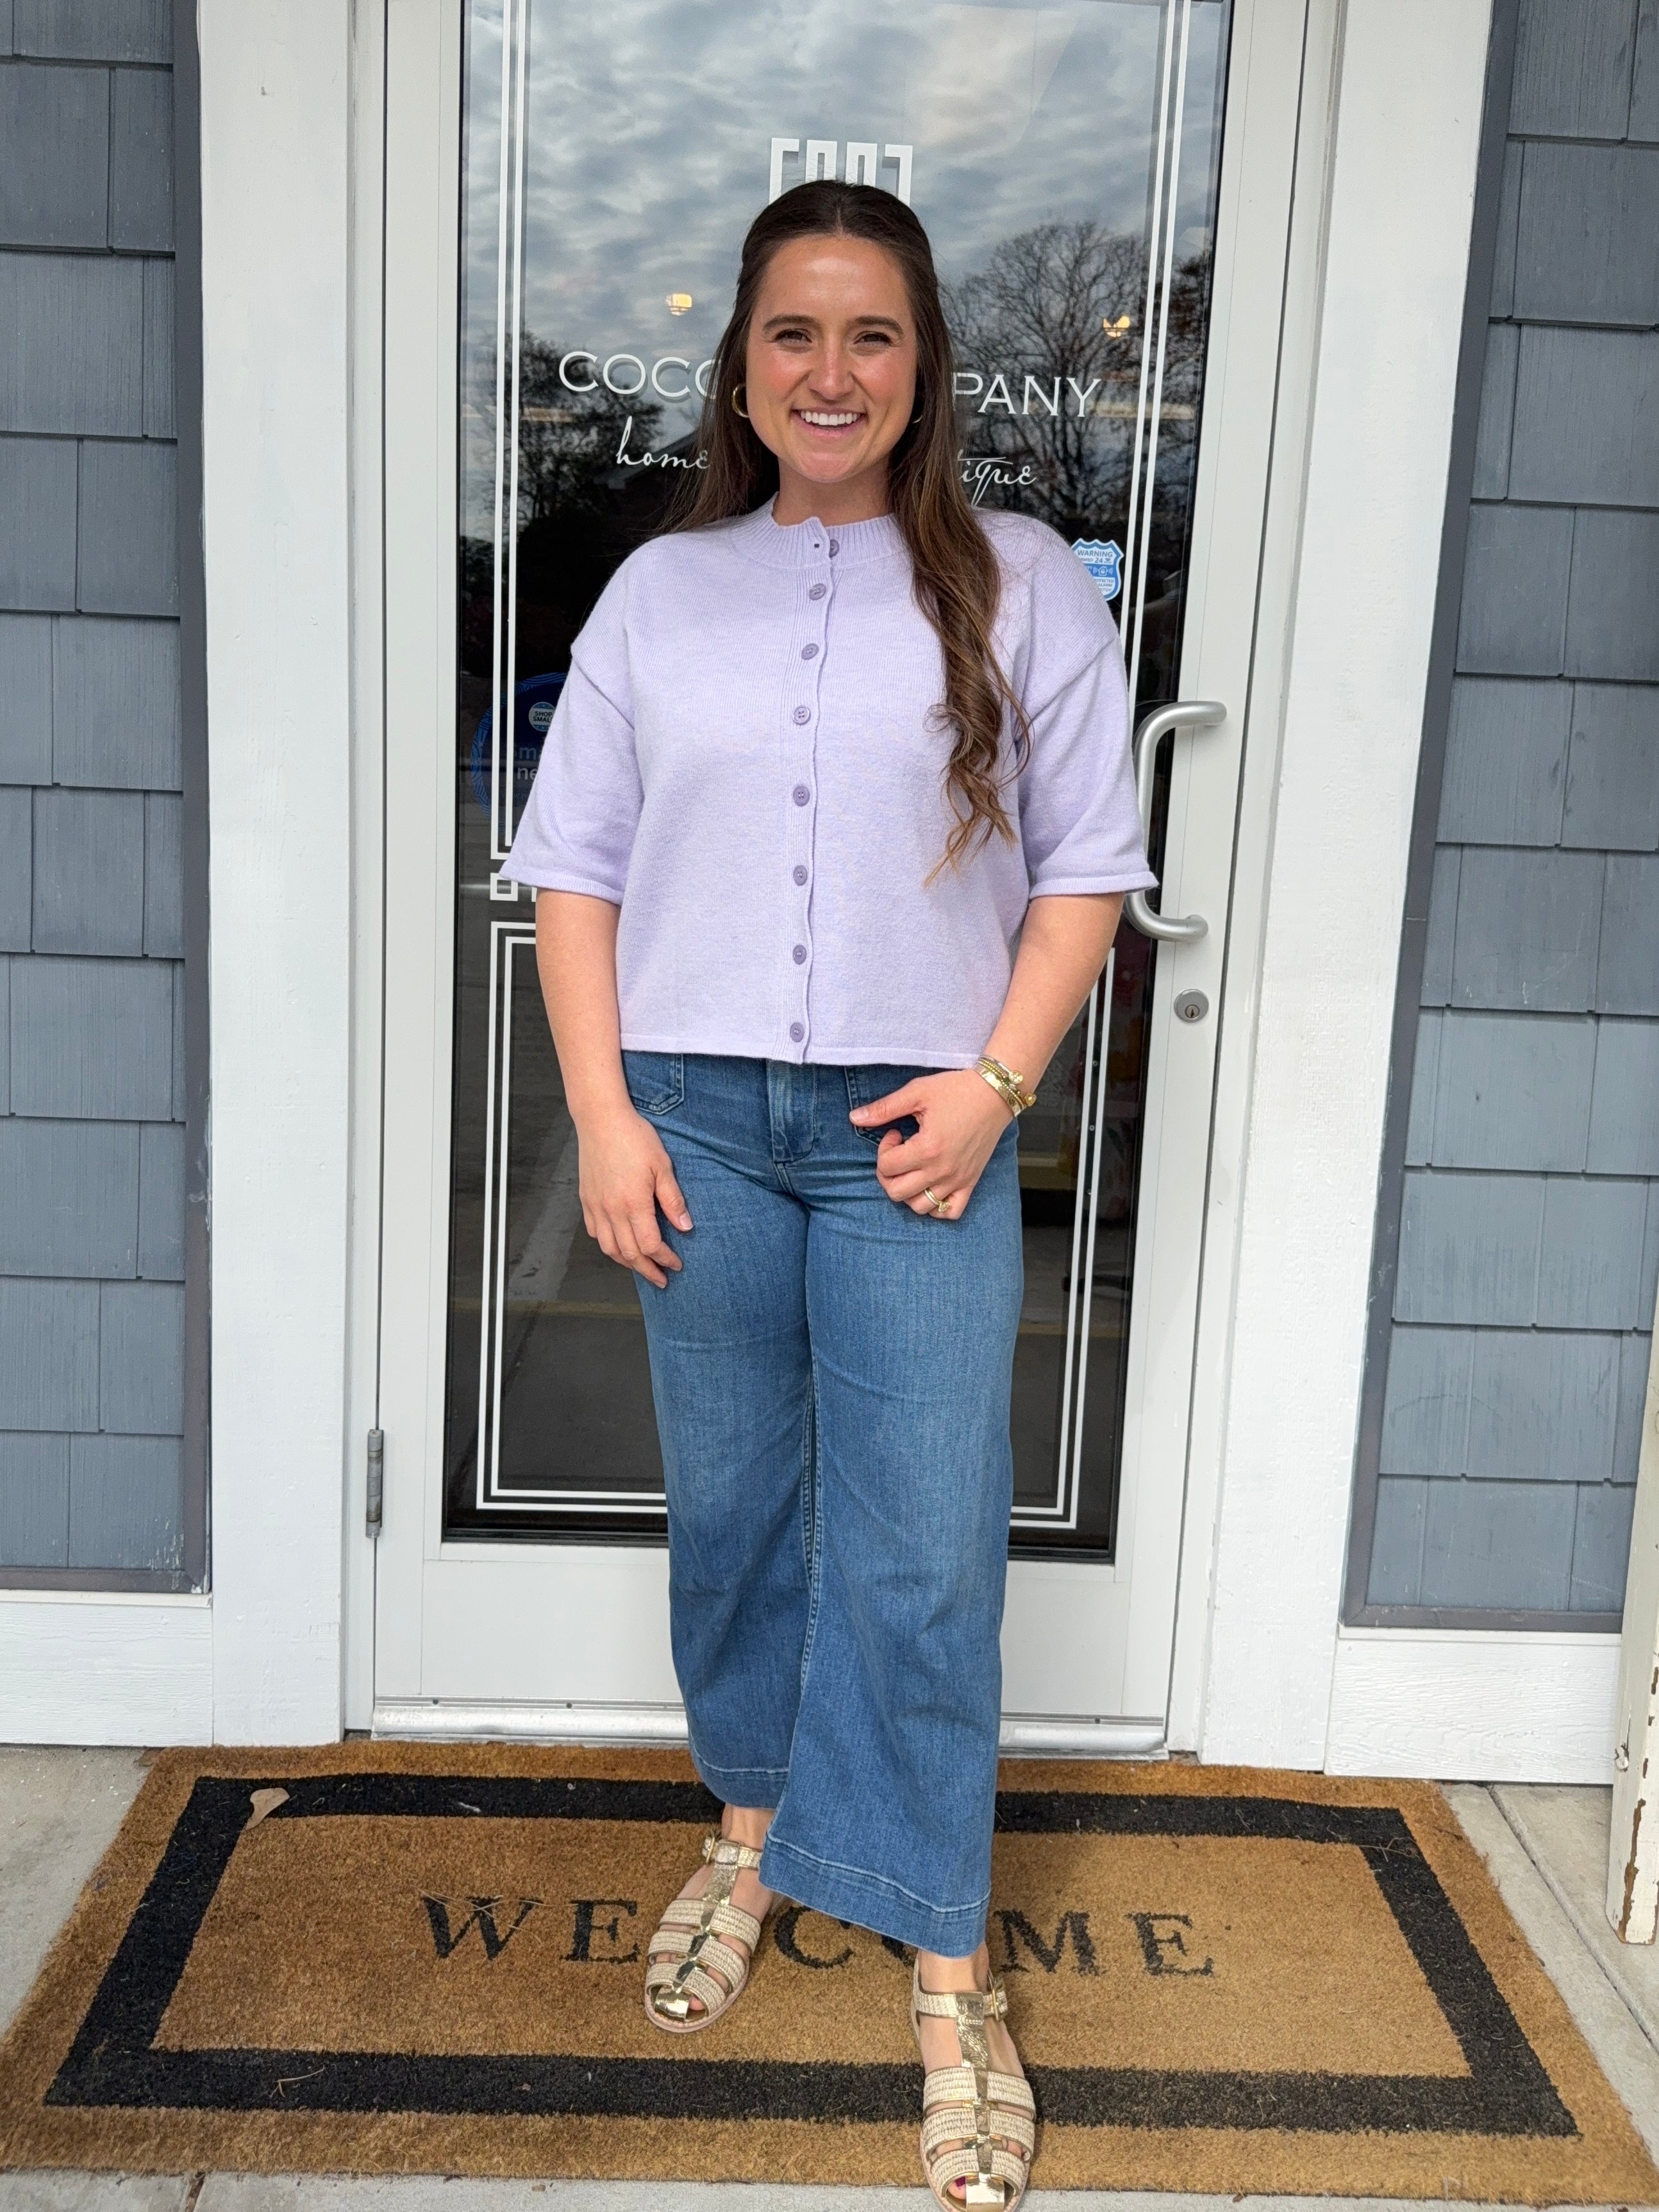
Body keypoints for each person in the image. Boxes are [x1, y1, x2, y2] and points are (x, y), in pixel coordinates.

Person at [505, 177, 1153, 2211]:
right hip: (693, 1116)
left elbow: (1083, 878)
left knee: (923, 1545)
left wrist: (990, 1085)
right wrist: (605, 1120)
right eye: (794, 331)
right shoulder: (658, 592)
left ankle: (945, 1969)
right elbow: (575, 874)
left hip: (913, 1137)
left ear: (923, 364)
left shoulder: (1025, 574)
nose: (831, 371)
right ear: (744, 363)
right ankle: (750, 1831)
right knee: (741, 1510)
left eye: (871, 334)